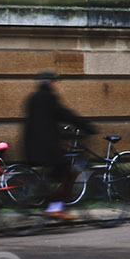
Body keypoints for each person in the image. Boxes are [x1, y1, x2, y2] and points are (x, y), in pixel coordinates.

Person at [24, 70, 94, 218]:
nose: (56, 85)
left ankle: (46, 198)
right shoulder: (49, 98)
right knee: (70, 173)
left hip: (32, 147)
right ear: (49, 83)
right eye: (54, 82)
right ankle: (55, 208)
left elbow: (42, 123)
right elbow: (65, 114)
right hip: (47, 148)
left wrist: (61, 134)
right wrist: (87, 127)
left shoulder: (32, 98)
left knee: (55, 175)